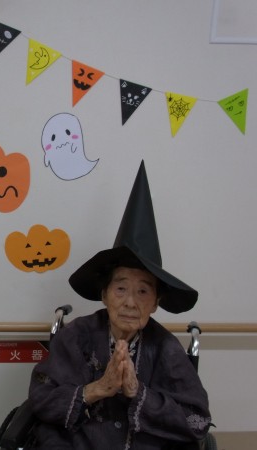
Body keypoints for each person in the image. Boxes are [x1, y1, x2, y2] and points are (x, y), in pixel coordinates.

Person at [28, 161, 212, 450]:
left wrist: (138, 392)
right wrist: (97, 389)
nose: (130, 302)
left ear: (156, 303)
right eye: (121, 288)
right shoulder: (75, 336)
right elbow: (41, 399)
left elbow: (197, 421)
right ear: (104, 295)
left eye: (143, 291)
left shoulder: (166, 348)